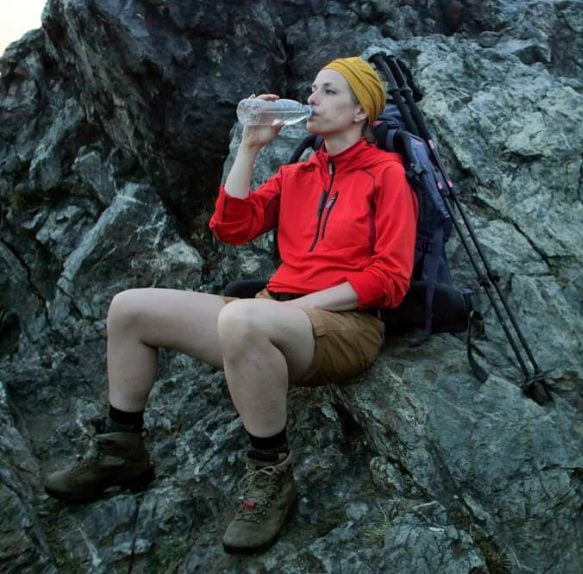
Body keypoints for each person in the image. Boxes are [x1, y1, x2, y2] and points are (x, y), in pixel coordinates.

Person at [43, 56, 418, 554]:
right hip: (270, 316)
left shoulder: (386, 175)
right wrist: (250, 146)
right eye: (312, 90)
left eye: (329, 91)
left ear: (359, 112)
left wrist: (303, 306)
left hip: (343, 327)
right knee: (129, 308)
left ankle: (270, 475)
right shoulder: (298, 173)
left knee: (242, 316)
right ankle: (121, 450)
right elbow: (231, 228)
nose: (311, 99)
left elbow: (389, 277)